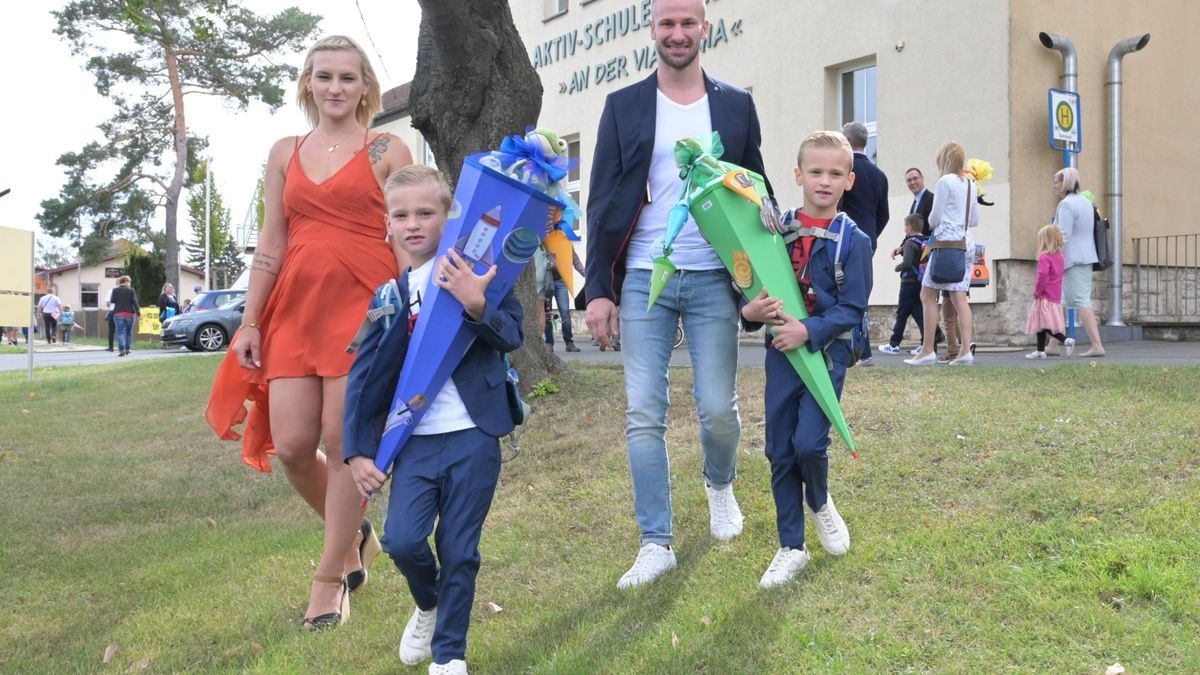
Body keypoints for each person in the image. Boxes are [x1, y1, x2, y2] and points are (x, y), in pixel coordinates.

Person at [206, 35, 413, 631]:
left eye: (348, 78)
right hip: (294, 306)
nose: (335, 88)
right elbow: (271, 242)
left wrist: (416, 309)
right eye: (324, 77)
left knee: (342, 437)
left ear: (365, 87)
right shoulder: (283, 151)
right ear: (307, 84)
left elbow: (408, 230)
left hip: (366, 305)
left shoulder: (386, 148)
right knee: (294, 445)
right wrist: (250, 319)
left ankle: (330, 581)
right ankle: (355, 536)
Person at [585, 0, 771, 590]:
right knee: (644, 411)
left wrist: (767, 278)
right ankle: (655, 542)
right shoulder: (624, 106)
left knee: (718, 408)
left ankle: (720, 487)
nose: (677, 33)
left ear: (704, 29)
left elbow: (755, 192)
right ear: (653, 30)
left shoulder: (736, 105)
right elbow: (601, 200)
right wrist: (598, 290)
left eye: (688, 22)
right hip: (643, 275)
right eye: (667, 23)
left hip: (716, 274)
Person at [347, 166, 522, 675]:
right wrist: (358, 451)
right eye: (401, 215)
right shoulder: (389, 295)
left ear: (450, 215)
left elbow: (511, 334)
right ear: (388, 224)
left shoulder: (482, 270)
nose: (414, 224)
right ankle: (429, 602)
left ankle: (449, 657)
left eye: (426, 212)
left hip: (473, 433)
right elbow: (363, 381)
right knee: (402, 539)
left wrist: (476, 302)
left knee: (459, 548)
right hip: (416, 443)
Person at [740, 130, 868, 587]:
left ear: (849, 181)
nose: (825, 181)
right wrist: (749, 312)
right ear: (798, 175)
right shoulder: (774, 229)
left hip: (824, 357)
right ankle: (791, 546)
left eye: (836, 173)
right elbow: (753, 282)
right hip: (780, 357)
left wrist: (807, 330)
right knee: (779, 450)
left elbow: (852, 308)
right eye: (815, 171)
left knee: (809, 445)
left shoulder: (855, 241)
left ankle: (819, 500)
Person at [905, 141, 978, 366]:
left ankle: (927, 349)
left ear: (943, 159)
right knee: (959, 298)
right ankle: (965, 350)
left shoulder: (945, 181)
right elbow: (974, 219)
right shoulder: (970, 184)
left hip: (945, 242)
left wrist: (937, 220)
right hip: (965, 243)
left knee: (927, 295)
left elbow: (933, 218)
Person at [837, 122, 889, 366]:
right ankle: (862, 350)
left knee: (844, 292)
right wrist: (871, 236)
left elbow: (837, 204)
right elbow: (884, 214)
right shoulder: (879, 175)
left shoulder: (845, 169)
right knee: (860, 291)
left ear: (846, 141)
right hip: (868, 238)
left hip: (844, 235)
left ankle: (858, 350)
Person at [1053, 167, 1105, 357]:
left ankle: (1097, 345)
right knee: (1061, 300)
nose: (1055, 185)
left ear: (1065, 182)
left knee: (1081, 301)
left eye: (1057, 181)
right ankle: (1052, 344)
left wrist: (1052, 256)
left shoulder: (1066, 204)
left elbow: (1062, 235)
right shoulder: (1086, 200)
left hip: (1072, 258)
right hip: (1085, 256)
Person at [879, 214, 927, 354]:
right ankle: (927, 343)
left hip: (908, 283)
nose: (904, 229)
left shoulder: (910, 243)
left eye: (905, 226)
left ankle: (894, 344)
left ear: (909, 227)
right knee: (918, 313)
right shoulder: (924, 241)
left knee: (902, 313)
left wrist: (897, 268)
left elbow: (907, 263)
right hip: (920, 282)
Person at [1024, 225, 1072, 359]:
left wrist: (1037, 292)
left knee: (1044, 324)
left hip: (1044, 296)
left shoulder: (1044, 256)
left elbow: (1042, 276)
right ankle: (1040, 350)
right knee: (1041, 323)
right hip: (1054, 296)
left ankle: (1066, 340)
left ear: (1044, 240)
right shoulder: (1059, 257)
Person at [543, 247, 584, 352]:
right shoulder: (543, 242)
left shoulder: (564, 242)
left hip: (561, 281)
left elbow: (576, 261)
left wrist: (586, 274)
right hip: (546, 280)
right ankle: (549, 343)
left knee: (565, 311)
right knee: (547, 313)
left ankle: (569, 343)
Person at [110, 276, 140, 356]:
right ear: (126, 281)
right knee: (128, 332)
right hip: (130, 314)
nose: (129, 283)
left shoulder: (115, 290)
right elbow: (135, 302)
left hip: (118, 314)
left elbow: (112, 301)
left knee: (120, 332)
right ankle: (128, 349)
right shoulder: (131, 290)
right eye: (129, 282)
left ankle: (122, 350)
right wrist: (138, 313)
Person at [904, 167, 934, 236]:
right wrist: (901, 246)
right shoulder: (915, 203)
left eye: (915, 178)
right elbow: (911, 230)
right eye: (909, 180)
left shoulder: (932, 199)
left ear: (922, 178)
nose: (912, 182)